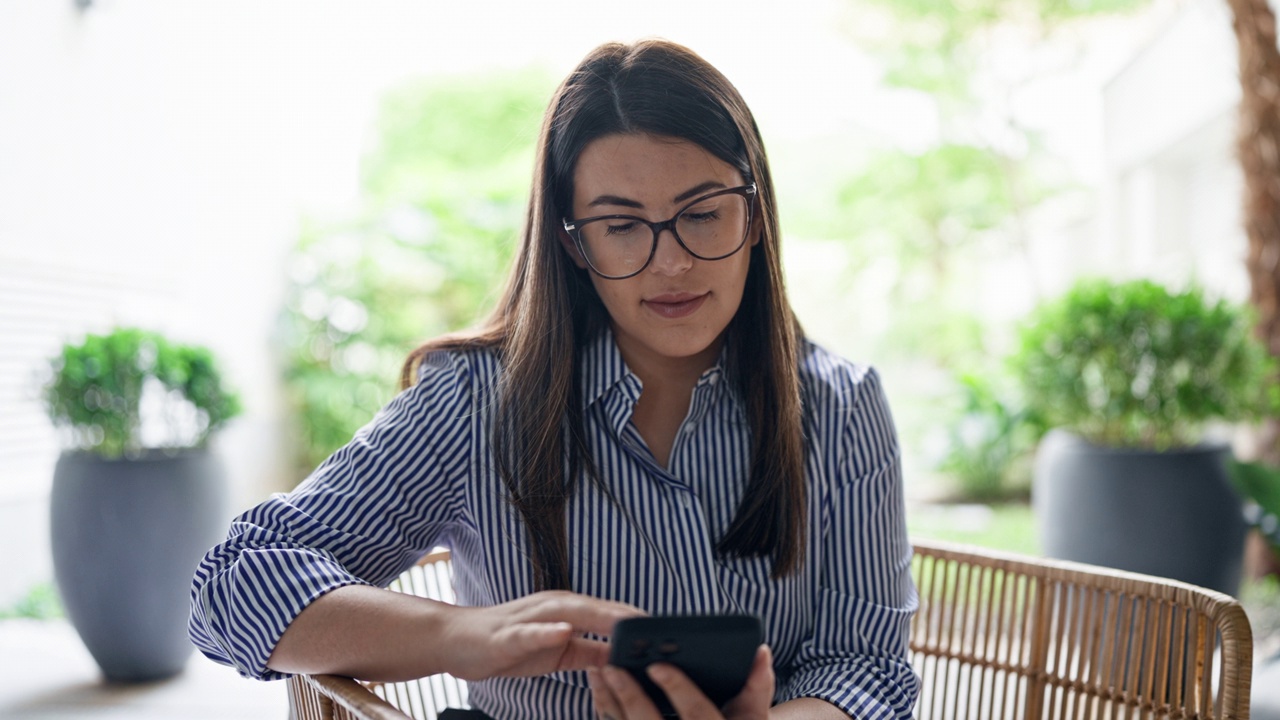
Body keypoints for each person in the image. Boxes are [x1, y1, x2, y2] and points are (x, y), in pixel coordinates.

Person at [189, 38, 919, 720]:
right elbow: (230, 587)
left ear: (755, 216)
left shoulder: (840, 405)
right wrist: (462, 635)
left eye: (702, 214)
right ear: (572, 242)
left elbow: (867, 667)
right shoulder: (474, 402)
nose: (671, 263)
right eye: (622, 225)